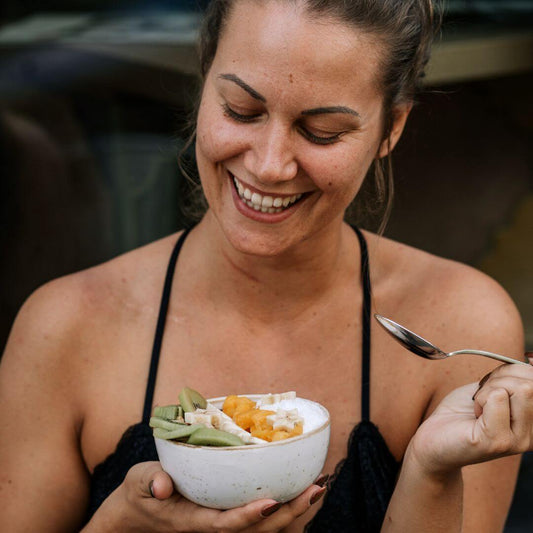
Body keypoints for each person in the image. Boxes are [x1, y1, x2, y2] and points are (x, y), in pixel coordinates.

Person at [1, 0, 533, 531]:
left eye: (322, 130)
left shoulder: (460, 324)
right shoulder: (63, 330)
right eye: (240, 109)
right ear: (202, 80)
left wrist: (431, 471)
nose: (269, 164)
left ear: (391, 128)